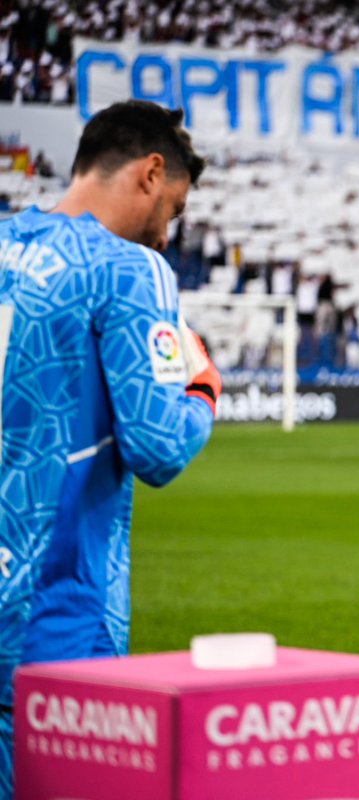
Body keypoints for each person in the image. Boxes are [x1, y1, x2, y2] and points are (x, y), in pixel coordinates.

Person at [0, 100, 222, 799]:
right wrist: (203, 391)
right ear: (151, 173)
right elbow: (157, 446)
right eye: (174, 208)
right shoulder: (128, 269)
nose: (167, 232)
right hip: (53, 615)